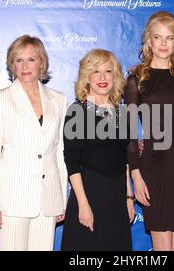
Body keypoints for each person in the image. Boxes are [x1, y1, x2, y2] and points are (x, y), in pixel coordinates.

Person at [124, 11, 174, 251]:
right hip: (154, 162)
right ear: (148, 40)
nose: (163, 43)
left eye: (169, 38)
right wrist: (136, 176)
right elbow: (129, 132)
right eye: (157, 37)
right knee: (161, 244)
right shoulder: (137, 78)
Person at [0, 35, 68, 251]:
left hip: (46, 200)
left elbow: (60, 153)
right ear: (12, 65)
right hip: (11, 202)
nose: (25, 66)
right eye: (18, 60)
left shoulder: (58, 99)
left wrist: (60, 199)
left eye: (31, 59)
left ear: (41, 62)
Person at [61, 49, 134, 251]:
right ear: (87, 77)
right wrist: (83, 205)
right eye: (95, 72)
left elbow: (123, 160)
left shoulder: (120, 112)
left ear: (115, 76)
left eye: (108, 71)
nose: (102, 78)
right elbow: (72, 162)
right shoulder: (77, 112)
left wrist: (129, 198)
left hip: (117, 200)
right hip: (90, 199)